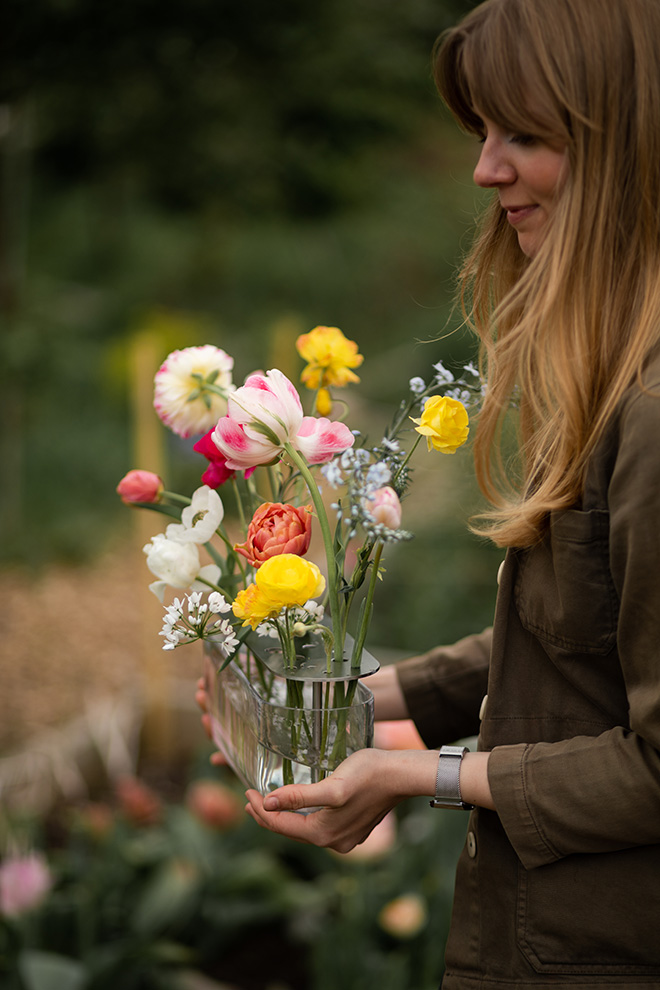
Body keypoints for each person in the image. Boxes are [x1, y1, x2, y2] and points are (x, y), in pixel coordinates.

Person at [200, 0, 660, 984]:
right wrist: (359, 697)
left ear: (625, 143)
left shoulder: (655, 413)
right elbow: (594, 638)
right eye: (482, 132)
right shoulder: (614, 371)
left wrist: (422, 773)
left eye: (524, 135)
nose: (485, 170)